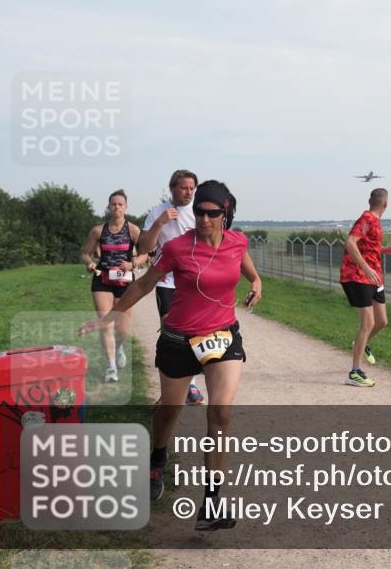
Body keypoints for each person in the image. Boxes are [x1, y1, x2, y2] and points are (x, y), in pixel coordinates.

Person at [80, 180, 261, 531]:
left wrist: (256, 283)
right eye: (199, 212)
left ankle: (211, 504)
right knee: (169, 411)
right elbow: (146, 283)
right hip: (179, 339)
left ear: (226, 214)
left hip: (223, 337)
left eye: (212, 213)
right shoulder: (178, 247)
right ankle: (157, 458)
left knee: (221, 412)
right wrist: (115, 311)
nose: (203, 218)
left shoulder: (238, 241)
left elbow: (246, 267)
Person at [139, 169, 204, 405]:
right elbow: (143, 248)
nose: (188, 192)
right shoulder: (157, 212)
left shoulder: (200, 212)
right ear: (172, 188)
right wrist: (160, 223)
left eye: (192, 188)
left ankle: (192, 385)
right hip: (166, 280)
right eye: (184, 187)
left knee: (195, 331)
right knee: (170, 332)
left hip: (195, 280)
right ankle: (169, 391)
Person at [80, 189, 149, 382]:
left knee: (123, 328)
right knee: (105, 323)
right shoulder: (98, 230)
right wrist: (89, 262)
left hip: (124, 281)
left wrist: (133, 263)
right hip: (102, 279)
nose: (117, 207)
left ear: (126, 206)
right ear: (109, 206)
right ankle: (111, 367)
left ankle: (118, 347)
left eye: (120, 204)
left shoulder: (133, 230)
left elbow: (145, 254)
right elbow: (85, 253)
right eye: (113, 204)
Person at [339, 187, 391, 388]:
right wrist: (365, 268)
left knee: (381, 321)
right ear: (386, 204)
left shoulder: (374, 221)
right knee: (368, 322)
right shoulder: (366, 219)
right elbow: (350, 242)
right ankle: (355, 372)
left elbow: (366, 246)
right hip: (358, 276)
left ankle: (361, 344)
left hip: (374, 277)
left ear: (370, 201)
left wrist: (383, 250)